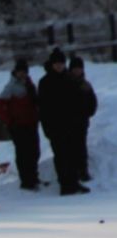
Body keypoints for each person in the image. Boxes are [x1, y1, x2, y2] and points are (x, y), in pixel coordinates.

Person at [39, 48, 88, 196]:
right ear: (52, 64)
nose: (59, 66)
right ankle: (65, 185)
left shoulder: (70, 79)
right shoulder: (45, 82)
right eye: (56, 63)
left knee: (73, 154)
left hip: (72, 124)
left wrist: (79, 120)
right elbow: (43, 108)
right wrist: (47, 128)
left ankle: (74, 182)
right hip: (55, 126)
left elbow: (79, 102)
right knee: (61, 156)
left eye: (61, 63)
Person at [0, 59, 41, 190]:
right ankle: (26, 180)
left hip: (31, 123)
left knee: (34, 151)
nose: (22, 74)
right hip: (18, 126)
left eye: (24, 71)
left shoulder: (30, 85)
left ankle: (33, 176)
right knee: (23, 153)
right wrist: (8, 120)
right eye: (20, 71)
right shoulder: (11, 86)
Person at [69, 56, 97, 182]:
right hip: (69, 122)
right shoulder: (66, 83)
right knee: (71, 147)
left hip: (82, 122)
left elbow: (93, 102)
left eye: (79, 68)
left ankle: (83, 171)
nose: (77, 71)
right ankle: (73, 171)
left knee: (81, 147)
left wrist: (88, 113)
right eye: (75, 68)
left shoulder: (86, 85)